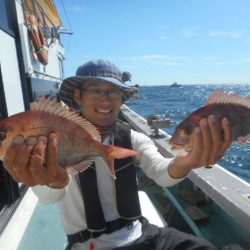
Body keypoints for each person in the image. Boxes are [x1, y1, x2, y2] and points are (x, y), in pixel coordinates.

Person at [3, 59, 232, 250]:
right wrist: (52, 180)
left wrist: (189, 161)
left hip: (142, 233)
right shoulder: (58, 135)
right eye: (95, 90)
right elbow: (50, 197)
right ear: (77, 96)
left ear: (121, 99)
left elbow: (160, 171)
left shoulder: (132, 138)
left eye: (114, 91)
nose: (106, 99)